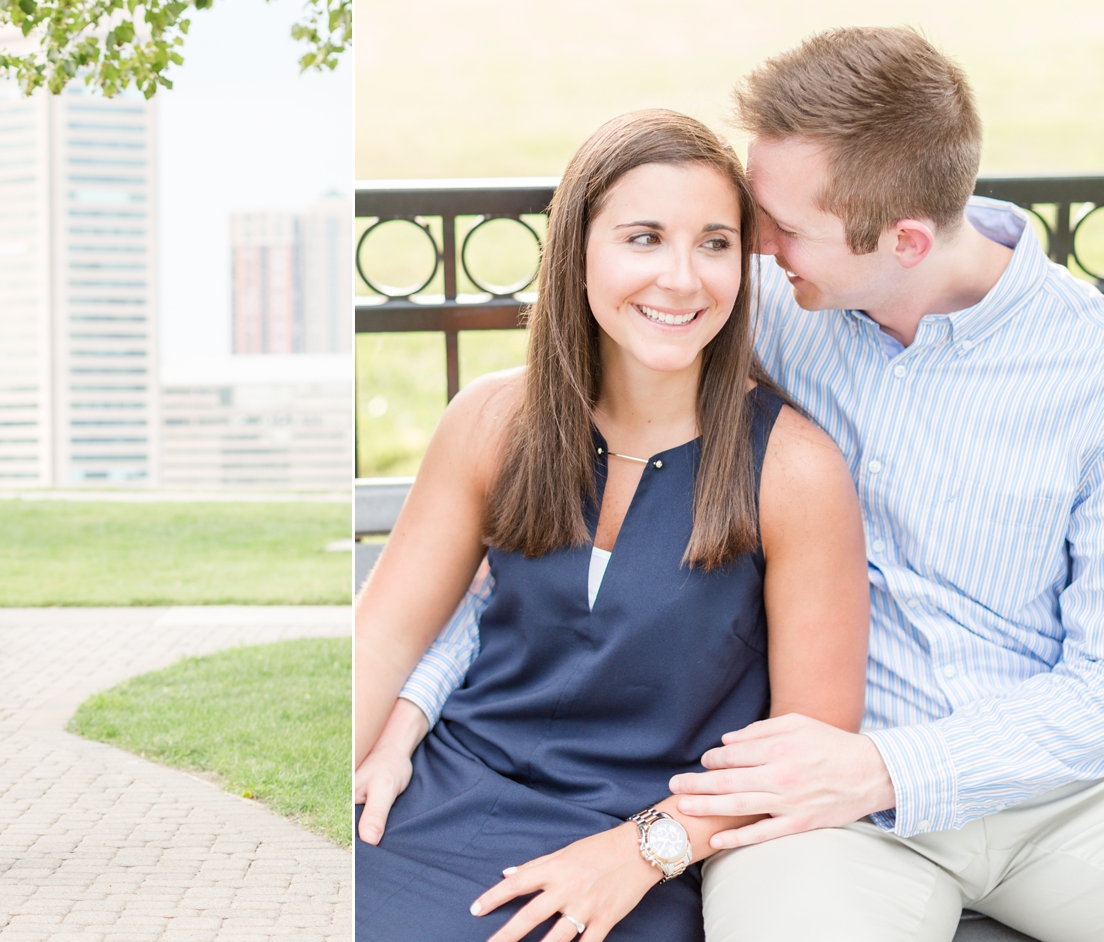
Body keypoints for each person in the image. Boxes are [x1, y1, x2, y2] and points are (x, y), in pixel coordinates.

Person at [367, 28, 1104, 941]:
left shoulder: (1088, 368)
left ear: (904, 240)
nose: (750, 249)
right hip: (824, 820)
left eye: (779, 229)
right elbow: (527, 547)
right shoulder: (763, 301)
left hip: (1059, 799)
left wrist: (888, 767)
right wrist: (414, 701)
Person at [354, 109, 869, 942]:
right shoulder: (492, 419)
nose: (681, 277)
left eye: (714, 242)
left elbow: (806, 746)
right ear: (578, 251)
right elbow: (380, 638)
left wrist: (644, 849)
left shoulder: (793, 470)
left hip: (647, 849)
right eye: (643, 238)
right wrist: (348, 763)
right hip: (434, 799)